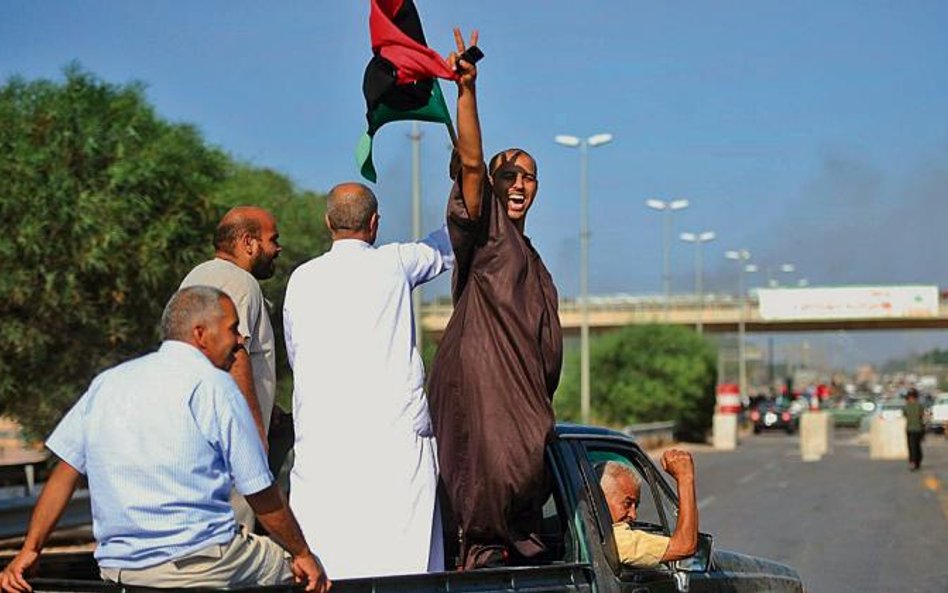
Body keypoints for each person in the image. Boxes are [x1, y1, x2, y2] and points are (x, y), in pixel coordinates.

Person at [0, 287, 329, 593]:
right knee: (302, 569)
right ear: (200, 334)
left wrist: (30, 550)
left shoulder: (108, 384)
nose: (240, 339)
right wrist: (301, 552)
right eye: (232, 328)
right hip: (202, 563)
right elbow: (259, 491)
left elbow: (65, 473)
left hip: (120, 569)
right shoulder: (214, 385)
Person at [427, 29, 563, 569]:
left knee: (526, 486)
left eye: (527, 176)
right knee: (488, 493)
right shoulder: (487, 234)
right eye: (507, 173)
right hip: (486, 400)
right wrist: (467, 92)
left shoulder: (533, 257)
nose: (518, 183)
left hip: (525, 406)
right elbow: (470, 167)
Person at [282, 183, 453, 578]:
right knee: (407, 562)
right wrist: (467, 180)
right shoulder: (395, 263)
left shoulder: (301, 279)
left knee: (331, 557)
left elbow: (296, 355)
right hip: (394, 442)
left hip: (325, 444)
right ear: (375, 224)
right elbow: (449, 244)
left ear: (328, 223)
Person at [180, 206, 281, 525]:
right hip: (231, 441)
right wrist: (253, 431)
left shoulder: (196, 276)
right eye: (272, 240)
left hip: (197, 436)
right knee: (233, 543)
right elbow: (234, 355)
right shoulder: (239, 282)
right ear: (249, 242)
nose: (277, 249)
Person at [598, 450, 698, 568]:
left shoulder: (586, 532)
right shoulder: (617, 540)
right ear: (600, 499)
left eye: (636, 506)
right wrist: (685, 477)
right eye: (627, 504)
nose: (633, 515)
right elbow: (685, 546)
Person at [904, 388, 925, 471]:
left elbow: (904, 414)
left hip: (910, 429)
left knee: (912, 446)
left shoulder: (906, 406)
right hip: (919, 429)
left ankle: (913, 462)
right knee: (917, 446)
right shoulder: (920, 406)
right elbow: (922, 416)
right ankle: (917, 461)